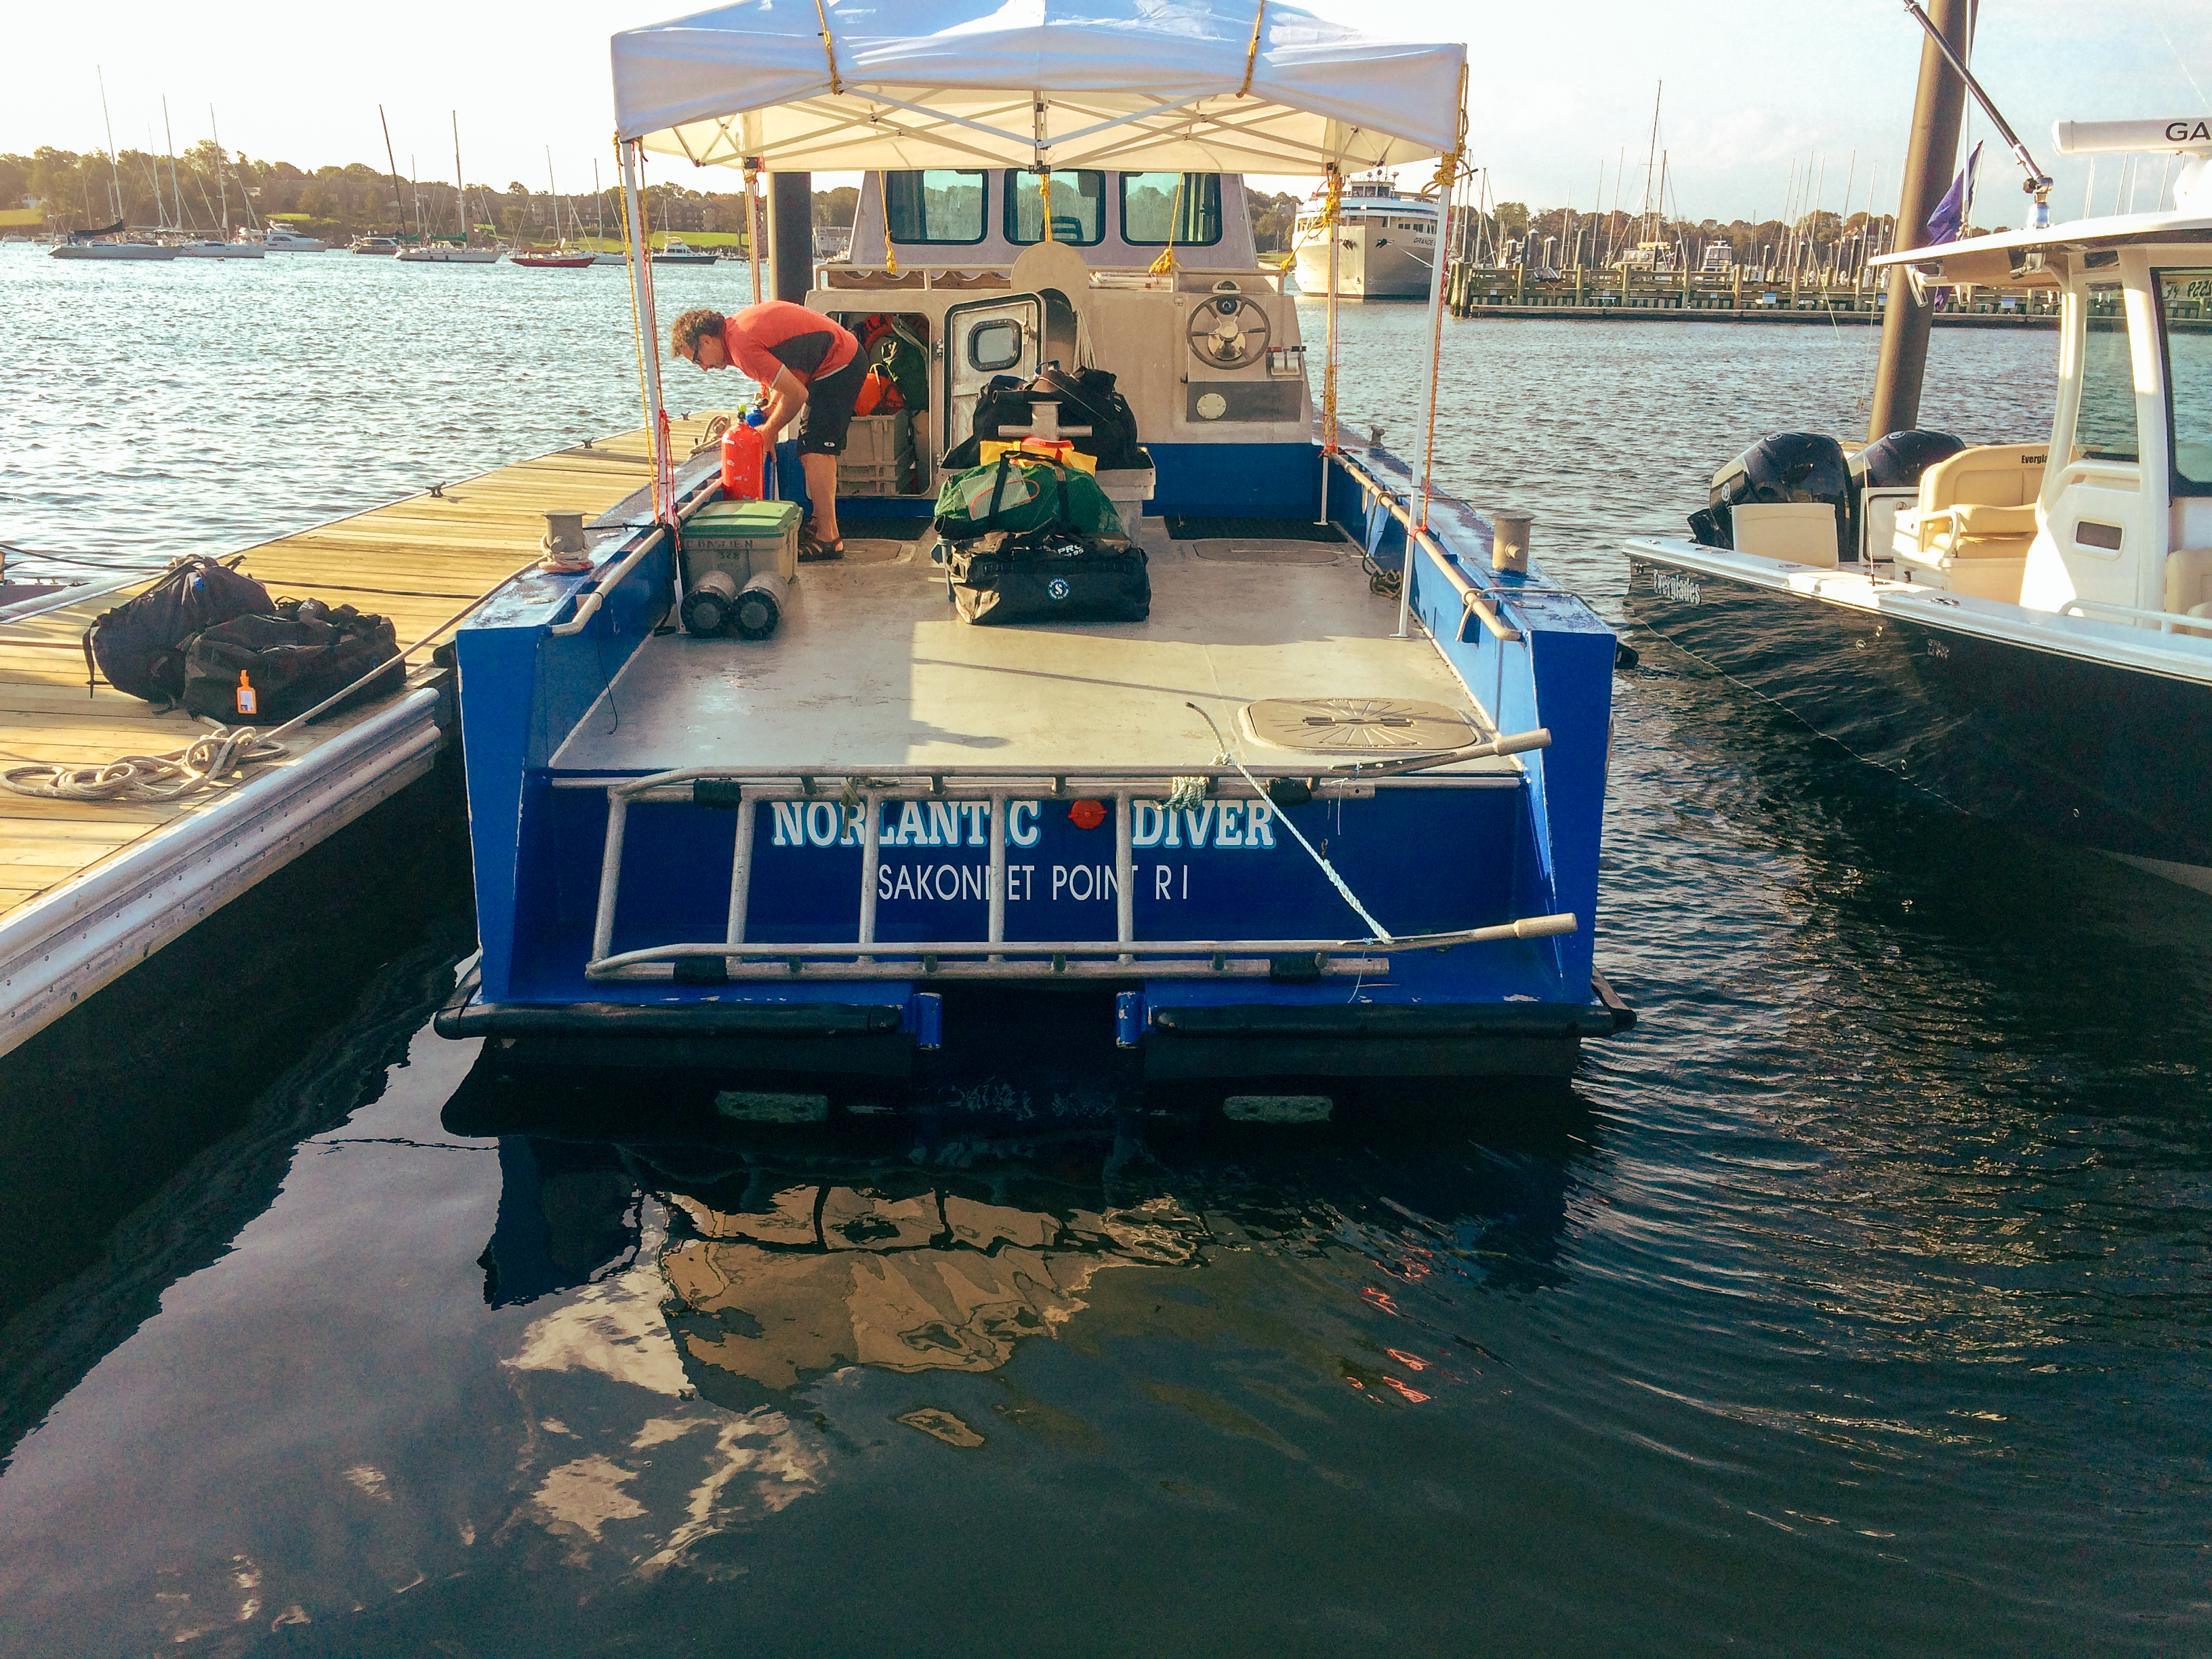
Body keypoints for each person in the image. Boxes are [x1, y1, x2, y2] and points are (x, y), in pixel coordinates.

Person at [672, 303, 863, 560]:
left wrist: (770, 431)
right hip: (833, 358)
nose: (703, 368)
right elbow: (785, 371)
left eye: (697, 358)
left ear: (706, 340)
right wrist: (770, 412)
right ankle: (820, 523)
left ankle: (829, 539)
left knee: (815, 449)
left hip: (841, 362)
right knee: (809, 448)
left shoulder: (741, 349)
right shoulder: (736, 330)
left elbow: (797, 393)